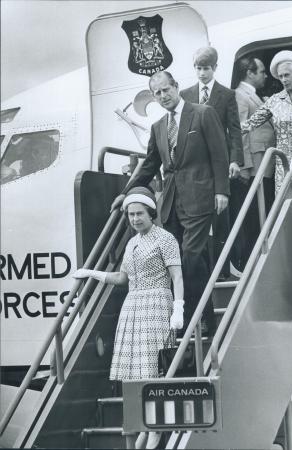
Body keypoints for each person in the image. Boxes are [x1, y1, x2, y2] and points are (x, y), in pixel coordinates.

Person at [111, 71, 230, 337]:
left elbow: (220, 154)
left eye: (167, 90)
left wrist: (222, 191)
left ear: (176, 87)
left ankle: (193, 319)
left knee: (189, 256)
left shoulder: (203, 113)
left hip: (200, 197)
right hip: (173, 202)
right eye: (157, 93)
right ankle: (204, 316)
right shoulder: (158, 127)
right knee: (181, 260)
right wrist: (127, 192)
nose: (163, 96)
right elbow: (150, 164)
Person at [74, 187, 184, 449]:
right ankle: (141, 428)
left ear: (151, 213)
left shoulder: (165, 238)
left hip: (157, 302)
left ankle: (154, 429)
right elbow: (123, 278)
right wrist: (92, 273)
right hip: (132, 305)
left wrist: (178, 307)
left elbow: (177, 276)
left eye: (140, 214)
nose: (135, 219)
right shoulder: (132, 242)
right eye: (131, 215)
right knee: (132, 372)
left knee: (152, 369)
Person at [180, 46, 244, 279]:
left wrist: (236, 160)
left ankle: (223, 268)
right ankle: (201, 270)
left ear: (215, 68)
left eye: (206, 68)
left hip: (220, 161)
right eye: (198, 68)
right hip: (196, 163)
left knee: (220, 216)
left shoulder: (226, 95)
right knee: (196, 217)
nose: (202, 73)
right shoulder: (185, 95)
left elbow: (234, 130)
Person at [241, 50, 292, 192]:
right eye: (280, 76)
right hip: (284, 165)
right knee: (286, 206)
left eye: (287, 75)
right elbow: (250, 123)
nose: (283, 79)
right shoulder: (275, 100)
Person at [233, 56, 276, 270]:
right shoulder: (241, 95)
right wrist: (244, 167)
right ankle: (249, 262)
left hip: (263, 165)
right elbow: (239, 131)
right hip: (254, 168)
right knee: (253, 217)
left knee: (261, 213)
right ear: (250, 73)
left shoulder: (254, 95)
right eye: (261, 72)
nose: (265, 75)